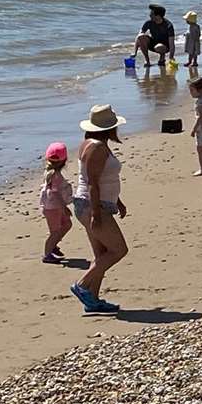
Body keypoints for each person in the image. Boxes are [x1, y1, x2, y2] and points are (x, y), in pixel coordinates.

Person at [71, 104, 130, 314]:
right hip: (92, 205)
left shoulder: (93, 143)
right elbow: (93, 183)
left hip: (93, 203)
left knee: (101, 254)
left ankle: (92, 300)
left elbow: (104, 179)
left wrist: (118, 201)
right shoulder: (96, 147)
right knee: (119, 250)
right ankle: (82, 285)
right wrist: (96, 213)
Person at [40, 141, 73, 264]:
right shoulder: (54, 175)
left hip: (54, 206)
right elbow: (54, 193)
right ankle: (47, 254)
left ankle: (53, 245)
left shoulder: (51, 172)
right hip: (53, 207)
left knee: (67, 224)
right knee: (55, 231)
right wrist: (64, 207)